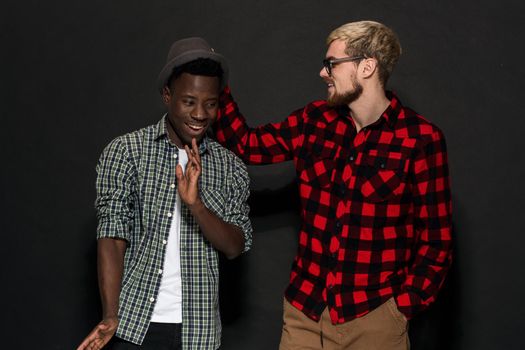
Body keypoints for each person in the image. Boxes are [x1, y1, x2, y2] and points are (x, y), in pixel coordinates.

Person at [214, 20, 452, 349]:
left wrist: (400, 310)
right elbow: (247, 145)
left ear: (367, 66)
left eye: (332, 64)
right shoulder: (314, 121)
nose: (323, 73)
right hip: (304, 313)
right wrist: (219, 87)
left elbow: (437, 242)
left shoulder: (420, 139)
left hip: (374, 319)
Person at [77, 37, 252, 350]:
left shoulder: (230, 166)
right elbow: (112, 238)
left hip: (198, 332)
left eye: (210, 104)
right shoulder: (127, 152)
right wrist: (110, 315)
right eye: (189, 101)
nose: (200, 114)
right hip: (133, 325)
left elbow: (235, 246)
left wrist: (196, 205)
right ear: (167, 96)